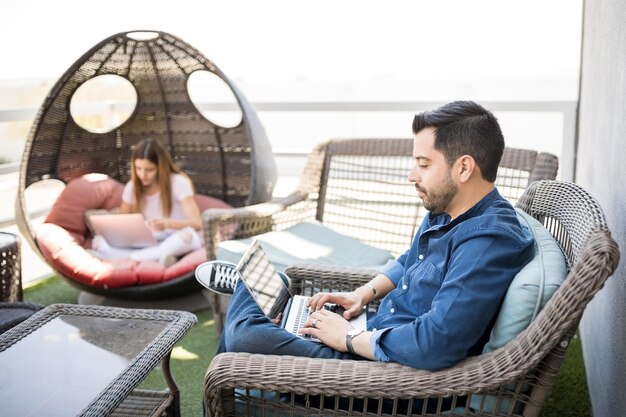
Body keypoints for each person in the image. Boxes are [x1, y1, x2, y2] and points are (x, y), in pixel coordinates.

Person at [197, 100, 535, 371]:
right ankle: (264, 303)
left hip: (386, 369)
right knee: (279, 286)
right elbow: (410, 259)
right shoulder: (450, 209)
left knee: (245, 334)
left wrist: (349, 337)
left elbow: (436, 343)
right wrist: (362, 294)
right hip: (375, 329)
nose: (411, 175)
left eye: (423, 163)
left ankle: (247, 296)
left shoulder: (487, 241)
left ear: (463, 167)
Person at [91, 138, 203, 265]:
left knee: (188, 238)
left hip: (174, 238)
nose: (143, 175)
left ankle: (121, 257)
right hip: (149, 242)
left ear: (161, 168)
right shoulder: (132, 187)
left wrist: (168, 224)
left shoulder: (178, 182)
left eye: (149, 170)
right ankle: (157, 258)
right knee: (99, 241)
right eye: (138, 168)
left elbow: (197, 223)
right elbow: (122, 221)